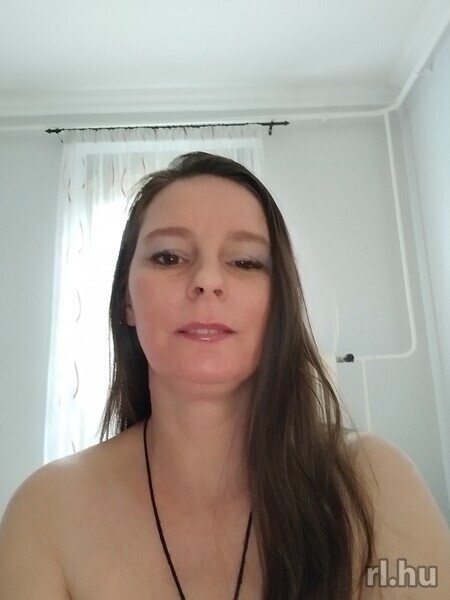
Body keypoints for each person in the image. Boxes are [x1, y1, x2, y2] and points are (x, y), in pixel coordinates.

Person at [0, 152, 449, 599]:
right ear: (127, 301)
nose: (208, 279)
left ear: (280, 302)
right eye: (168, 256)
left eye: (245, 262)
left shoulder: (377, 484)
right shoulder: (47, 510)